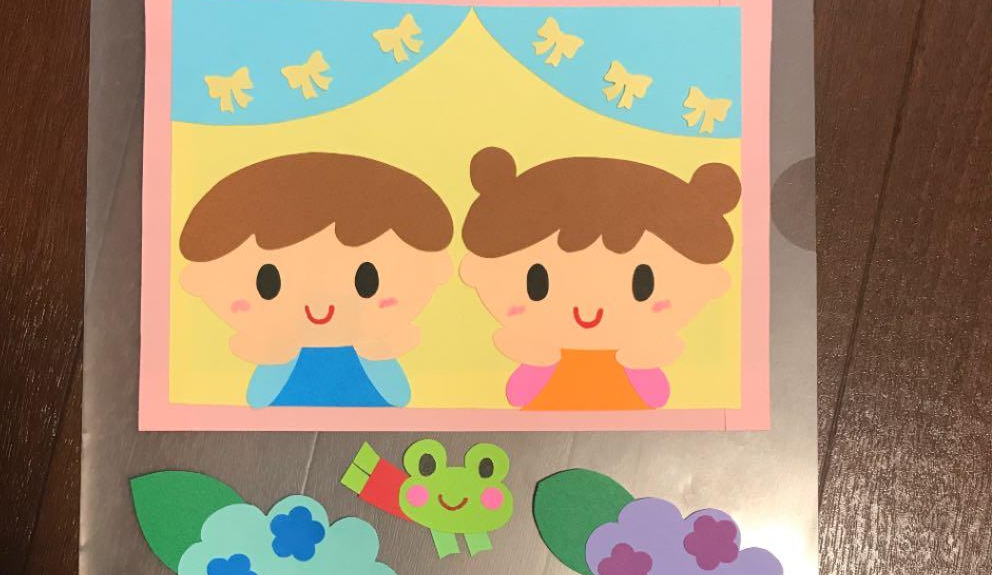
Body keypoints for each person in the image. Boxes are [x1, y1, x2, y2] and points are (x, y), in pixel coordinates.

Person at [459, 146, 741, 410]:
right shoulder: (536, 356)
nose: (588, 310)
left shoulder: (646, 360)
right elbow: (520, 393)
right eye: (538, 284)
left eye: (642, 286)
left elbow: (656, 396)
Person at [178, 152, 453, 407]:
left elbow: (399, 396)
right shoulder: (280, 350)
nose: (320, 306)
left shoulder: (370, 346)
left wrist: (381, 350)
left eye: (367, 282)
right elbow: (258, 399)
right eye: (268, 284)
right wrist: (273, 355)